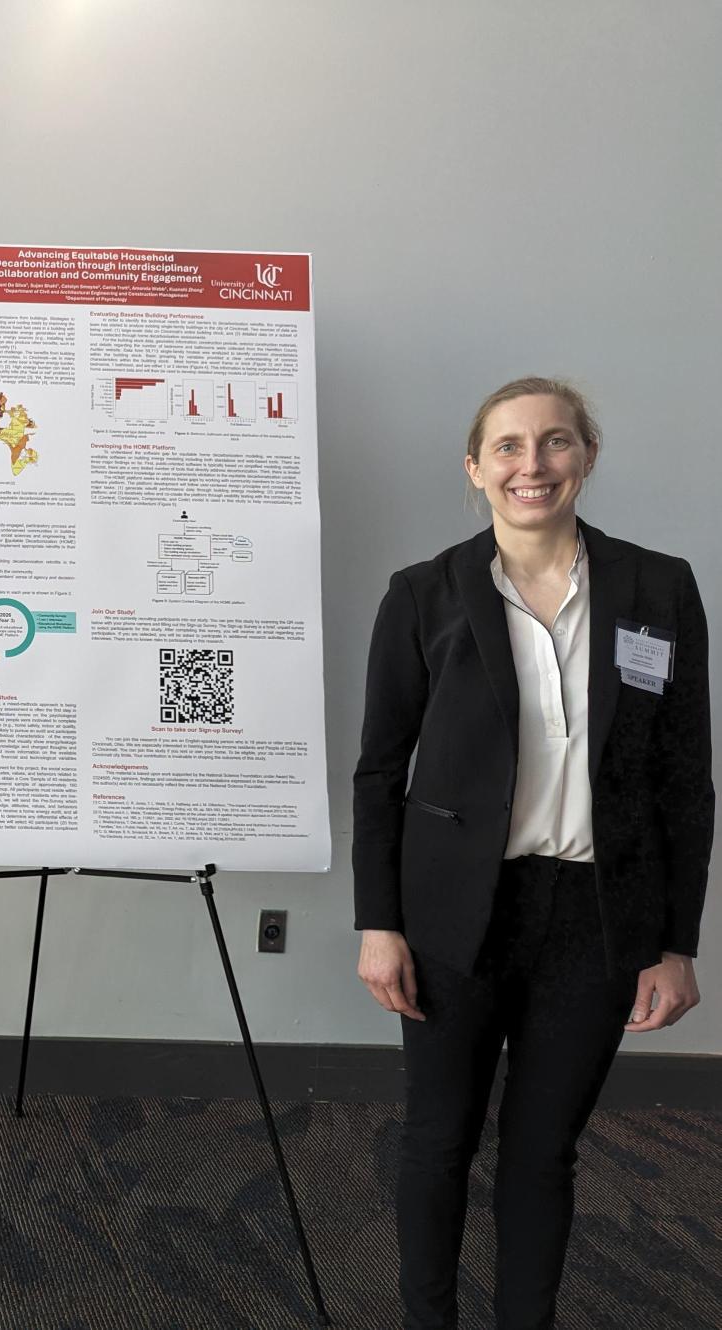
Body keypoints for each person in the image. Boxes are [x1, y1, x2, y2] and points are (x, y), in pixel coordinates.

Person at [351, 377, 713, 1329]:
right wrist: (378, 925)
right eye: (507, 447)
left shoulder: (658, 588)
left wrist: (676, 942)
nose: (532, 465)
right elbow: (377, 773)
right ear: (475, 469)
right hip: (450, 919)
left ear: (585, 457)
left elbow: (685, 779)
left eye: (554, 443)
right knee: (436, 1140)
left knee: (542, 1150)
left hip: (594, 920)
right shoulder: (421, 594)